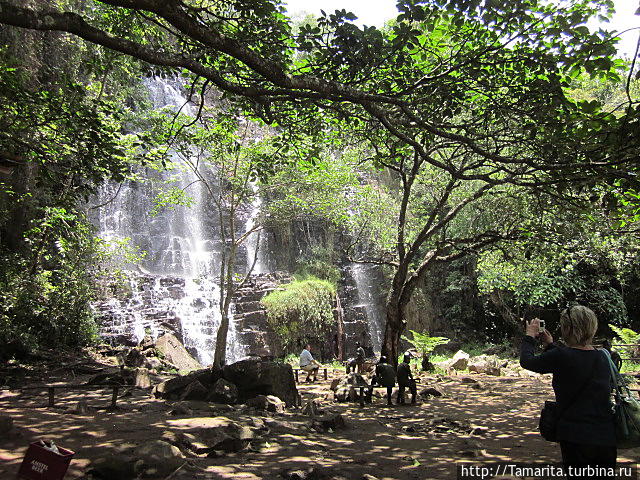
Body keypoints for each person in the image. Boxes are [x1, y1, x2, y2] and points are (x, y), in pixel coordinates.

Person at [520, 305, 616, 478]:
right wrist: (550, 345)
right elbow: (577, 363)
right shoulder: (604, 356)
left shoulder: (562, 356)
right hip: (606, 434)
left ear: (568, 328)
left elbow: (527, 361)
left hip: (575, 436)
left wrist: (529, 337)